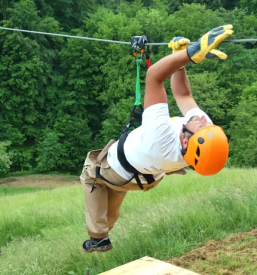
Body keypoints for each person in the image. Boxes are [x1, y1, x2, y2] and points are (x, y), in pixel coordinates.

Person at [80, 25, 233, 253]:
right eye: (207, 125)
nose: (202, 120)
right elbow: (183, 94)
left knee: (91, 173)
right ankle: (103, 233)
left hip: (117, 169)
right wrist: (179, 63)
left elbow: (154, 77)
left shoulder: (160, 138)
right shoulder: (201, 136)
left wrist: (190, 54)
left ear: (184, 141)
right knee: (117, 188)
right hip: (146, 177)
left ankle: (98, 237)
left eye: (200, 126)